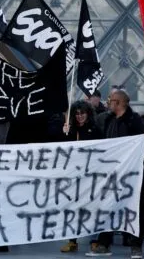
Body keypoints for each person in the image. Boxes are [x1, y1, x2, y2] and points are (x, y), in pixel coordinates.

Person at [88, 89, 144, 258]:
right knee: (107, 206)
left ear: (120, 103)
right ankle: (104, 243)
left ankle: (136, 245)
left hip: (130, 174)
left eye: (111, 100)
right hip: (111, 172)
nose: (108, 102)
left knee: (133, 208)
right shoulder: (109, 120)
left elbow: (141, 142)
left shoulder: (134, 121)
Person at [59, 101, 101, 253]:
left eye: (82, 113)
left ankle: (94, 240)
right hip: (74, 175)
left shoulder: (95, 130)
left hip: (90, 175)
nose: (79, 116)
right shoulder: (70, 130)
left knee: (92, 208)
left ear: (88, 113)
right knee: (73, 208)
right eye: (76, 114)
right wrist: (64, 134)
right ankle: (72, 240)